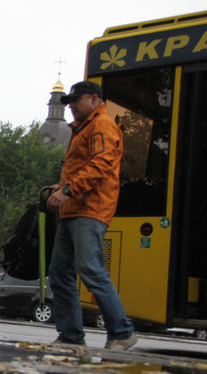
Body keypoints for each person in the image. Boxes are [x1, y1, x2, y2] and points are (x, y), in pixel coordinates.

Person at [46, 81, 136, 350]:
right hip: (73, 209)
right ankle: (71, 337)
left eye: (77, 100)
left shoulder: (102, 125)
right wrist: (60, 188)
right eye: (69, 102)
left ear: (95, 100)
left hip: (90, 209)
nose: (72, 106)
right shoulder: (85, 128)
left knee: (89, 268)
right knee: (60, 273)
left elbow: (101, 165)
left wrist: (69, 190)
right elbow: (85, 166)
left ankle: (122, 333)